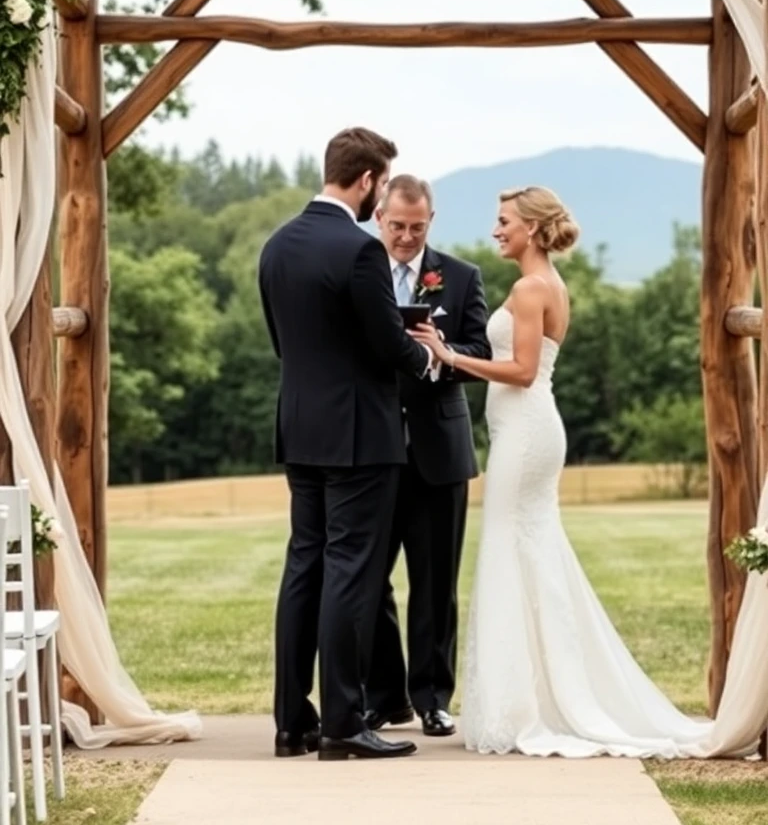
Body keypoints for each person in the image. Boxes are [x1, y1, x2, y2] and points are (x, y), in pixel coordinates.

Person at [413, 186, 716, 759]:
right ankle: (534, 695)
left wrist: (449, 357)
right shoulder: (545, 283)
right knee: (528, 554)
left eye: (503, 221)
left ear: (530, 226)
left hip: (526, 434)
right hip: (525, 432)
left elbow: (523, 371)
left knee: (509, 549)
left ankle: (525, 706)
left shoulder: (531, 288)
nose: (496, 230)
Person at [259, 128, 432, 762]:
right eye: (382, 185)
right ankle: (342, 722)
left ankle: (290, 723)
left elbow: (287, 341)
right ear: (367, 182)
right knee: (352, 572)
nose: (379, 196)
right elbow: (386, 343)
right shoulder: (359, 251)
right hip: (360, 434)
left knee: (303, 565)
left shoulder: (277, 245)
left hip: (300, 428)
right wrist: (427, 359)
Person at [365, 175, 490, 738]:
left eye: (417, 227)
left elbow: (481, 351)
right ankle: (385, 696)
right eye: (397, 226)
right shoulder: (359, 271)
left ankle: (434, 696)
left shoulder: (461, 277)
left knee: (436, 582)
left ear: (431, 220)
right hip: (373, 448)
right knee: (368, 579)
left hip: (440, 447)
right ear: (379, 218)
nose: (406, 237)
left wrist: (442, 351)